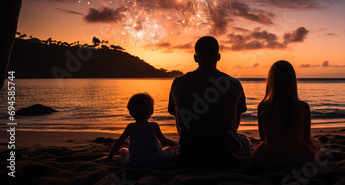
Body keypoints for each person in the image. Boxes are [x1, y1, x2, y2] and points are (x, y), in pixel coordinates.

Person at [168, 36, 251, 166]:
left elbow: (179, 121)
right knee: (245, 140)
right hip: (228, 155)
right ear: (218, 57)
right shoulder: (234, 83)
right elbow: (234, 124)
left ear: (195, 58)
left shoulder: (178, 82)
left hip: (189, 156)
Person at [251, 60, 320, 165]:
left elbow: (262, 137)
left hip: (271, 156)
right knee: (315, 145)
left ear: (271, 81)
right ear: (292, 81)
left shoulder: (263, 106)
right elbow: (306, 138)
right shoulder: (303, 106)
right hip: (298, 155)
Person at [103, 93, 177, 166]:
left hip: (135, 162)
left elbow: (118, 143)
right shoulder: (154, 126)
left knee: (123, 150)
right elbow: (164, 141)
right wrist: (176, 143)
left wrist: (109, 157)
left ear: (130, 113)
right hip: (156, 160)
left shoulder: (130, 127)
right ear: (151, 111)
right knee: (170, 148)